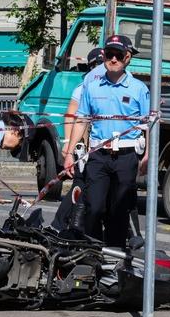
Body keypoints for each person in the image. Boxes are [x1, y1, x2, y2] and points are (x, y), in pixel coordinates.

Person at [71, 34, 149, 247]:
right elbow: (81, 120)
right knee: (94, 207)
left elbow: (148, 124)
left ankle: (115, 254)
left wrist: (148, 155)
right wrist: (69, 152)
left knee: (119, 209)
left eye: (118, 55)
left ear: (127, 58)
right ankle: (93, 250)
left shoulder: (139, 89)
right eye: (109, 54)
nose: (113, 59)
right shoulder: (92, 87)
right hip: (98, 154)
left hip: (126, 155)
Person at [50, 47, 105, 233]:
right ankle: (61, 225)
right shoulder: (84, 87)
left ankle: (79, 226)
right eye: (96, 65)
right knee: (80, 184)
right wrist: (68, 146)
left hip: (103, 147)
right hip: (87, 147)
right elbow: (71, 116)